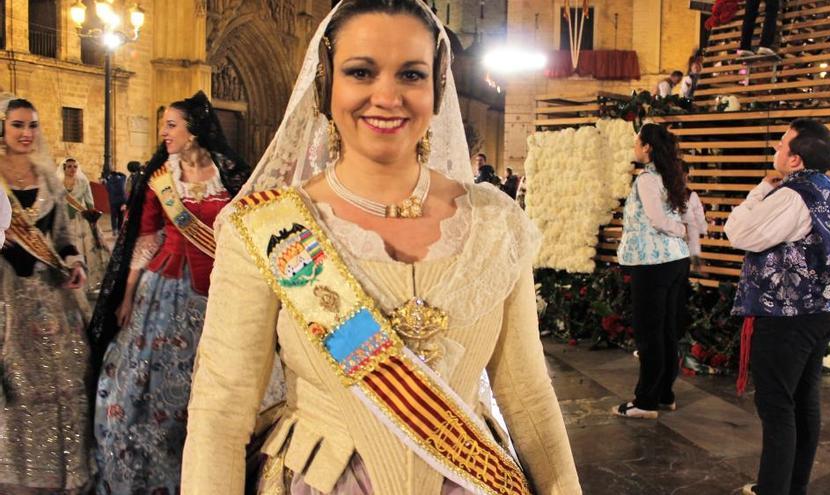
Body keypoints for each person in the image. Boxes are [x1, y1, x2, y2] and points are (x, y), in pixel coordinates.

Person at [181, 1, 581, 494]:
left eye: (411, 74)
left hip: (471, 477)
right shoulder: (268, 227)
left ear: (436, 90)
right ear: (326, 86)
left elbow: (527, 397)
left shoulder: (497, 224)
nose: (386, 95)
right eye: (361, 72)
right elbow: (221, 410)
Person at [87, 91, 251, 494]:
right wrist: (126, 295)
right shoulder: (161, 179)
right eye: (163, 125)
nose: (164, 132)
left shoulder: (228, 173)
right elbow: (144, 238)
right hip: (164, 290)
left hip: (219, 294)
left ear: (193, 131)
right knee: (147, 382)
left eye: (171, 124)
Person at [724, 119, 830, 495]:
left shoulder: (791, 195)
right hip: (822, 308)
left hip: (788, 313)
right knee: (803, 400)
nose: (775, 151)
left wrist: (761, 190)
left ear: (796, 160)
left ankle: (773, 489)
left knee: (777, 406)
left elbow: (740, 233)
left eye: (781, 145)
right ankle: (792, 486)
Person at [0, 96, 93, 493]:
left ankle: (64, 471)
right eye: (18, 125)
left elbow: (62, 238)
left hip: (53, 299)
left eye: (33, 125)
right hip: (7, 298)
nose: (26, 133)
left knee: (67, 376)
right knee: (16, 383)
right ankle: (17, 473)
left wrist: (75, 263)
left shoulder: (49, 177)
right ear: (2, 128)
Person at [614, 123, 699, 419]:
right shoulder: (669, 175)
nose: (634, 146)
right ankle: (664, 394)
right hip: (675, 261)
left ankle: (646, 401)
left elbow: (658, 220)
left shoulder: (647, 179)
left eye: (637, 141)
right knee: (666, 331)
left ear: (647, 146)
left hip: (653, 263)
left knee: (650, 333)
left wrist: (681, 230)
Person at [57, 157, 109, 294]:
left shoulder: (83, 182)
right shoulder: (57, 183)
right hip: (63, 221)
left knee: (82, 250)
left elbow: (89, 201)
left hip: (80, 220)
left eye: (74, 166)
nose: (72, 169)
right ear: (64, 168)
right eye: (69, 166)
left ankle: (85, 281)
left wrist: (93, 218)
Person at [102, 169, 126, 235]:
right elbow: (124, 175)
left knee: (113, 216)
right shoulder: (121, 180)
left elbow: (107, 189)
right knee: (121, 216)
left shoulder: (109, 182)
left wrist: (107, 178)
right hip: (122, 201)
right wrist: (119, 173)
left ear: (111, 175)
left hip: (113, 201)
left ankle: (114, 230)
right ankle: (119, 230)